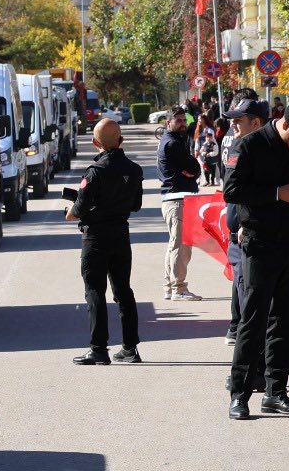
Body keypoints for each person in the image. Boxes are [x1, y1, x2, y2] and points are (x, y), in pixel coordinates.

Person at [224, 100, 289, 420]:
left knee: (284, 320)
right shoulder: (249, 145)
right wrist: (278, 194)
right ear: (284, 125)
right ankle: (239, 394)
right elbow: (232, 191)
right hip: (259, 241)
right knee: (253, 321)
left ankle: (276, 392)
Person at [66, 117, 142, 365]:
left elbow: (77, 209)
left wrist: (71, 211)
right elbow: (136, 205)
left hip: (96, 238)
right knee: (124, 291)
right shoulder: (134, 170)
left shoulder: (95, 172)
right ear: (121, 140)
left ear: (94, 142)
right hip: (121, 234)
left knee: (95, 292)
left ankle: (99, 349)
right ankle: (130, 348)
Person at [220, 95, 270, 345]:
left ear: (256, 122)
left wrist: (242, 224)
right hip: (237, 234)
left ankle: (250, 346)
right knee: (240, 286)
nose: (233, 126)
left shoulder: (262, 151)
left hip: (250, 232)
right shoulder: (238, 146)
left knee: (250, 292)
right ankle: (238, 330)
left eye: (239, 120)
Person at [157, 108, 202, 301]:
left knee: (174, 245)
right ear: (168, 123)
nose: (183, 123)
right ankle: (179, 288)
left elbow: (192, 169)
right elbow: (194, 167)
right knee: (181, 246)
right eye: (178, 120)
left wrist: (193, 170)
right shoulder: (173, 143)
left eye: (184, 120)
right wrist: (195, 169)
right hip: (178, 200)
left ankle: (170, 286)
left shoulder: (172, 141)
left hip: (175, 199)